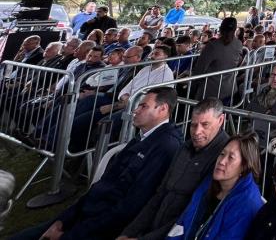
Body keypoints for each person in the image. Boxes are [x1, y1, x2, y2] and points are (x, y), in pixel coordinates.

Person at [12, 88, 182, 240]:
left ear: (162, 109)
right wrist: (62, 220)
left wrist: (68, 236)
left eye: (143, 106)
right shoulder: (143, 137)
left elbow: (129, 207)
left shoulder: (165, 146)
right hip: (88, 213)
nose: (135, 110)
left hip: (98, 226)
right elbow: (102, 185)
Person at [116, 98, 229, 240]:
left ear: (220, 120)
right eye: (193, 125)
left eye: (205, 125)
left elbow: (192, 216)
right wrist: (128, 233)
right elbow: (160, 194)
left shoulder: (222, 159)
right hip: (152, 228)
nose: (197, 132)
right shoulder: (185, 148)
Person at [167, 133, 263, 240]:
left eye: (231, 158)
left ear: (244, 167)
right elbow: (183, 223)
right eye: (222, 154)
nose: (222, 161)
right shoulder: (209, 182)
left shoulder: (246, 203)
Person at [191, 17, 243, 101]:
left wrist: (192, 86)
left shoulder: (212, 46)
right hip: (230, 88)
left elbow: (199, 69)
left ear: (221, 28)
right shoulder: (239, 44)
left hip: (210, 91)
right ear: (235, 29)